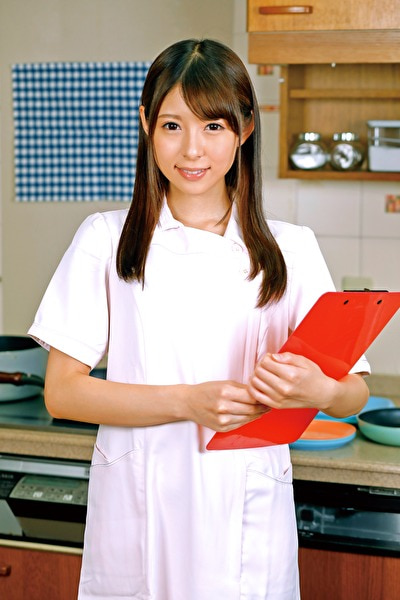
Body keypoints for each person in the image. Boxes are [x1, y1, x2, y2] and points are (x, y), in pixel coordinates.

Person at [29, 39, 370, 600]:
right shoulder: (105, 239)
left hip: (246, 509)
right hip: (140, 505)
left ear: (245, 129)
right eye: (172, 126)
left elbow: (352, 392)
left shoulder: (291, 249)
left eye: (213, 126)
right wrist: (188, 402)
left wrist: (320, 389)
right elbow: (62, 394)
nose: (192, 149)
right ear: (146, 124)